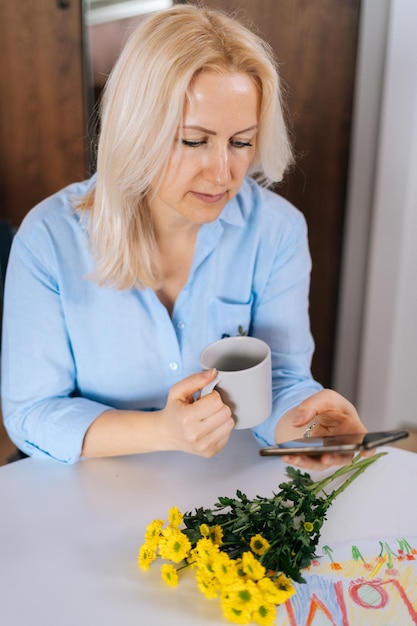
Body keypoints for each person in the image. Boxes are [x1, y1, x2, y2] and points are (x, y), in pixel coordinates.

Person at [1, 4, 367, 468]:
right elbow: (31, 412)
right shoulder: (50, 238)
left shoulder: (277, 230)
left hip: (220, 490)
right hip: (89, 486)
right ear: (138, 132)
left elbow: (283, 381)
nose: (222, 173)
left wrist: (312, 428)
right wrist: (162, 431)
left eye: (241, 142)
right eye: (194, 141)